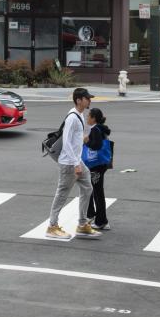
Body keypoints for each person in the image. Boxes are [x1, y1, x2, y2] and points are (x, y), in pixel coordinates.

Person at [46, 87, 101, 240]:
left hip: (77, 161)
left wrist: (88, 129)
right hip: (69, 163)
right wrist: (76, 163)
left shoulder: (81, 115)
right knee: (62, 194)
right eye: (87, 98)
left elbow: (79, 138)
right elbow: (67, 142)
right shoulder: (72, 117)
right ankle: (52, 226)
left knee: (87, 188)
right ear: (79, 100)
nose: (89, 100)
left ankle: (82, 224)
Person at [84, 107, 112, 230]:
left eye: (88, 116)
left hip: (96, 165)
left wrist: (86, 141)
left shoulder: (95, 129)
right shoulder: (102, 128)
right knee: (95, 190)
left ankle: (101, 221)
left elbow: (96, 145)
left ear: (93, 118)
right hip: (102, 164)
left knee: (97, 192)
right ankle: (93, 215)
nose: (86, 118)